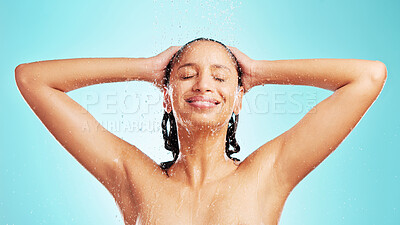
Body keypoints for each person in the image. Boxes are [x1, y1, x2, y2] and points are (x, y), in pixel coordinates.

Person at [15, 37, 387, 225]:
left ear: (238, 100)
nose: (203, 85)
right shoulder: (132, 177)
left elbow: (368, 76)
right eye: (187, 75)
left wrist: (258, 72)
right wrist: (145, 68)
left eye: (221, 76)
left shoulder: (268, 173)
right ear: (167, 97)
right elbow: (33, 79)